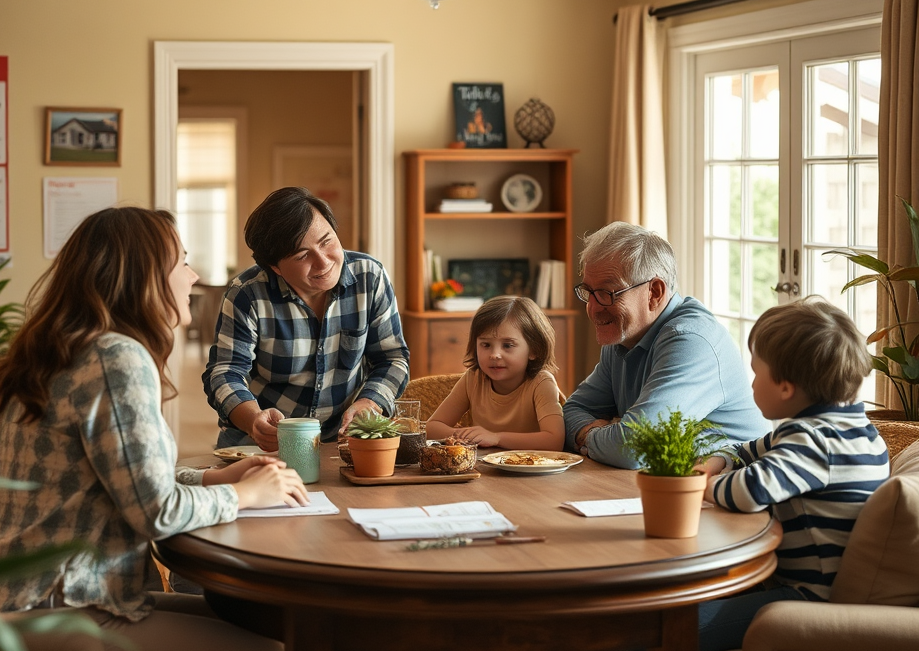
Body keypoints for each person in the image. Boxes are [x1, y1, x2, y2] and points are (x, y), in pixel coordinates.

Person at [0, 206, 310, 651]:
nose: (193, 276)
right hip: (58, 610)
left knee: (293, 630)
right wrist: (244, 494)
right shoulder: (116, 358)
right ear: (145, 276)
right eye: (182, 262)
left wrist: (212, 477)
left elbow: (118, 476)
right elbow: (156, 512)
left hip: (22, 600)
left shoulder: (68, 348)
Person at [574, 295, 889, 651]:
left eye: (757, 374)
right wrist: (721, 459)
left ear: (786, 387)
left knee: (651, 633)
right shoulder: (845, 428)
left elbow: (750, 491)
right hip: (782, 582)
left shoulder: (815, 442)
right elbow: (749, 449)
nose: (751, 384)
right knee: (612, 619)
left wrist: (702, 484)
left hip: (804, 599)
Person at [204, 186, 410, 452]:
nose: (323, 262)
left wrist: (369, 403)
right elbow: (225, 371)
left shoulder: (370, 277)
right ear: (275, 267)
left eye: (327, 242)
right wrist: (254, 420)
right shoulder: (247, 294)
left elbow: (392, 358)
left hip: (342, 444)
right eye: (303, 255)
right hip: (263, 445)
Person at [563, 222, 768, 468]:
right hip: (668, 482)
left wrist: (591, 435)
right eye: (588, 292)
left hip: (734, 488)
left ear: (655, 292)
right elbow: (570, 412)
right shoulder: (622, 335)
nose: (593, 308)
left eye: (607, 293)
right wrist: (606, 435)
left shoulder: (691, 340)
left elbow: (634, 447)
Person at [425, 295, 565, 450]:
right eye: (486, 345)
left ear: (534, 349)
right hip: (484, 471)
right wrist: (466, 436)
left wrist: (496, 438)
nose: (494, 354)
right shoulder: (473, 379)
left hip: (532, 470)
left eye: (507, 345)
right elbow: (432, 427)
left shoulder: (541, 382)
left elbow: (554, 440)